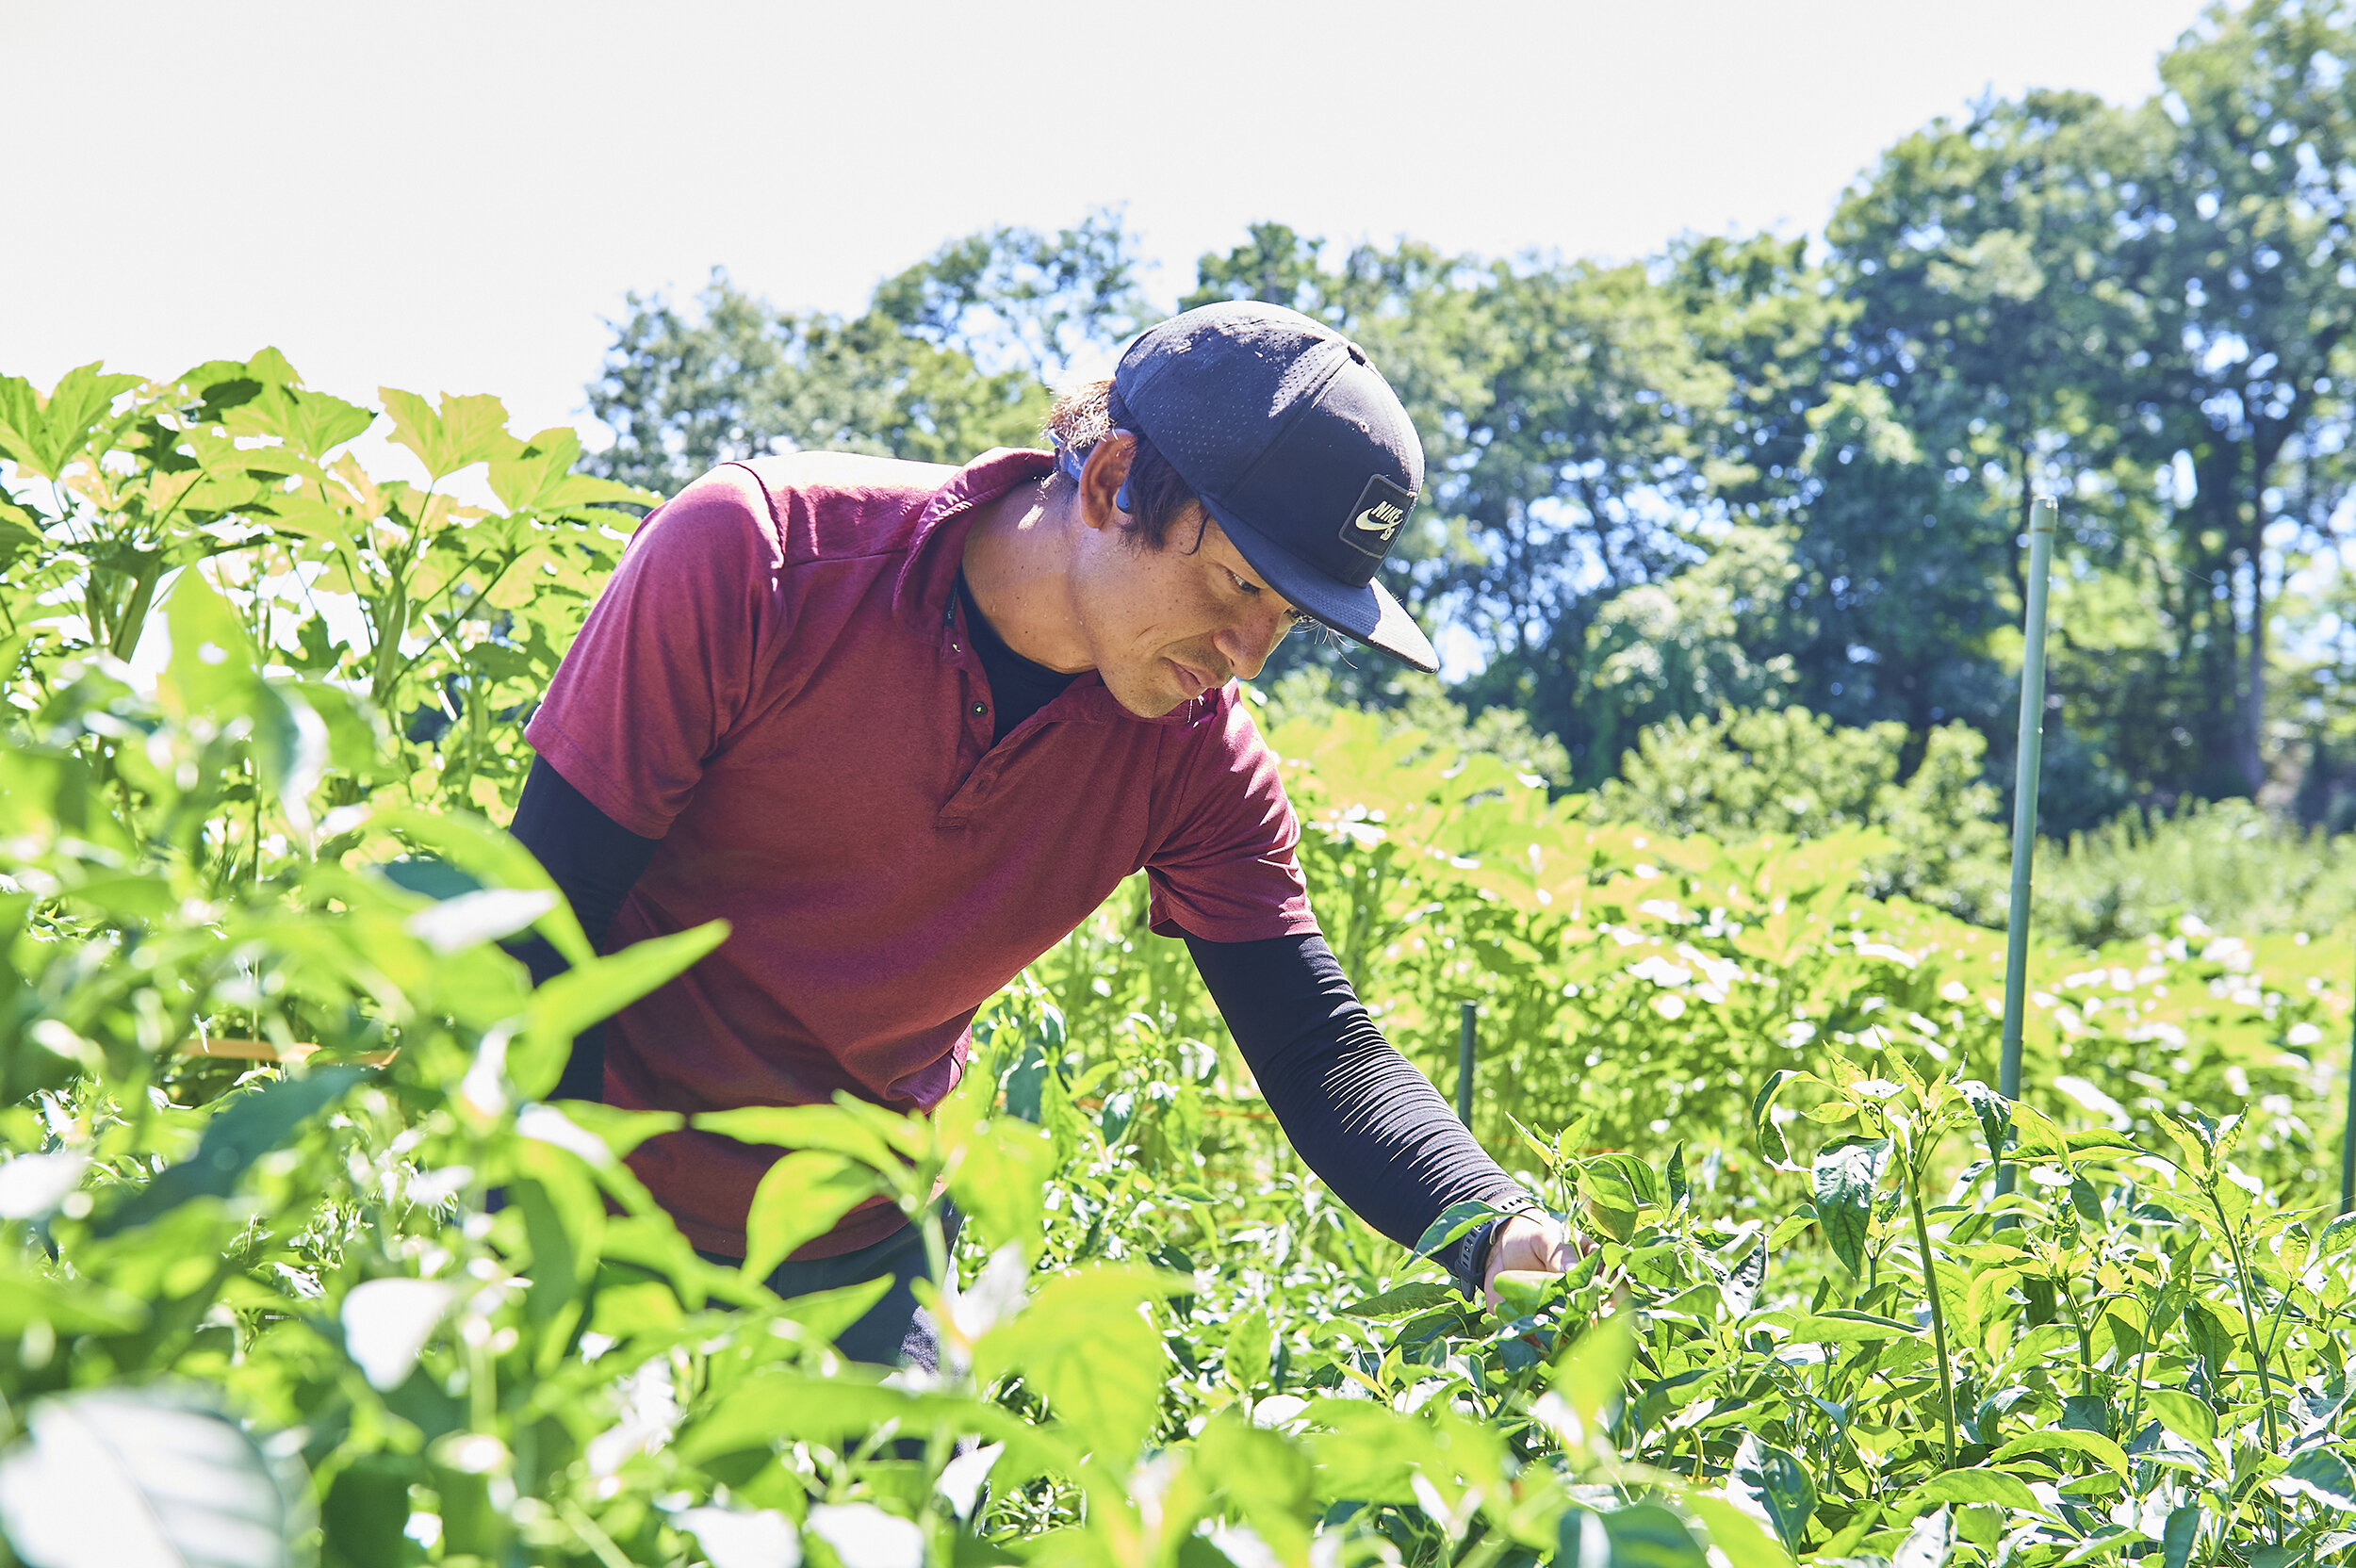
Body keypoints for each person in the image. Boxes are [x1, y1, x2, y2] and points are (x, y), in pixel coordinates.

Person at [509, 301, 1576, 1371]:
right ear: (1112, 483)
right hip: (595, 1187)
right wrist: (550, 1243)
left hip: (860, 1241)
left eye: (1288, 619)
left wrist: (1491, 1223)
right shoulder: (763, 554)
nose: (1249, 655)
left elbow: (1315, 1046)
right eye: (1241, 583)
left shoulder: (1196, 755)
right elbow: (546, 913)